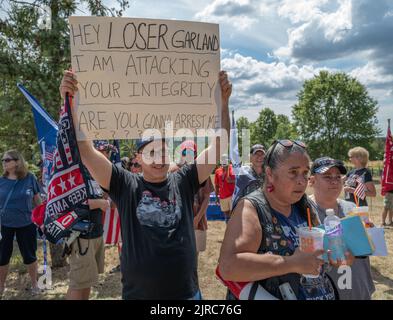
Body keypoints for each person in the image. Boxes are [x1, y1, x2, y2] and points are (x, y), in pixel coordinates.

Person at [60, 70, 231, 299]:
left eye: (162, 151)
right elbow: (86, 151)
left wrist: (223, 103)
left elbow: (219, 145)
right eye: (151, 152)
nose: (159, 158)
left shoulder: (184, 180)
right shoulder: (124, 184)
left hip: (187, 294)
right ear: (138, 158)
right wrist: (72, 102)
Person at [218, 140, 338, 300]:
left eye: (305, 172)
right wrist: (291, 263)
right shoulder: (251, 208)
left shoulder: (305, 204)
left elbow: (320, 251)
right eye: (293, 172)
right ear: (269, 174)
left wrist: (334, 254)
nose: (302, 180)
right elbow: (228, 267)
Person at [308, 156, 374, 300]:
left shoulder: (352, 208)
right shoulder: (303, 212)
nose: (334, 181)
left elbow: (366, 250)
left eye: (338, 177)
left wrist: (371, 235)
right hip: (327, 293)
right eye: (327, 176)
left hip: (360, 291)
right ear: (312, 181)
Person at [65, 141, 111, 300]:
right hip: (81, 237)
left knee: (87, 281)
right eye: (105, 151)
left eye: (109, 152)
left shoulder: (96, 174)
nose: (107, 155)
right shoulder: (77, 172)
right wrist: (100, 203)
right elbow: (70, 204)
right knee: (78, 284)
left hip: (96, 233)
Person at [0, 150, 42, 298]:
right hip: (4, 225)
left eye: (7, 160)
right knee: (2, 257)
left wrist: (42, 219)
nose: (3, 162)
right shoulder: (1, 181)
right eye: (3, 160)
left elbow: (37, 200)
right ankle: (1, 287)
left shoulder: (30, 178)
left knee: (29, 256)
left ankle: (35, 284)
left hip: (26, 224)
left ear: (17, 162)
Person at [232, 143, 266, 208]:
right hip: (249, 211)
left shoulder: (269, 174)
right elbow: (238, 196)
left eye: (262, 154)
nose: (259, 157)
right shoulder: (244, 175)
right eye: (256, 154)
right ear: (250, 157)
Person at [214, 154, 235, 220]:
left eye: (225, 159)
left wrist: (232, 181)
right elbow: (217, 185)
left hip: (232, 195)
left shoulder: (234, 168)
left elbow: (240, 180)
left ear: (228, 160)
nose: (224, 161)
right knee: (226, 214)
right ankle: (228, 227)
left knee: (233, 213)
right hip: (223, 196)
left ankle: (233, 228)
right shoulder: (218, 171)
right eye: (222, 159)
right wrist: (217, 197)